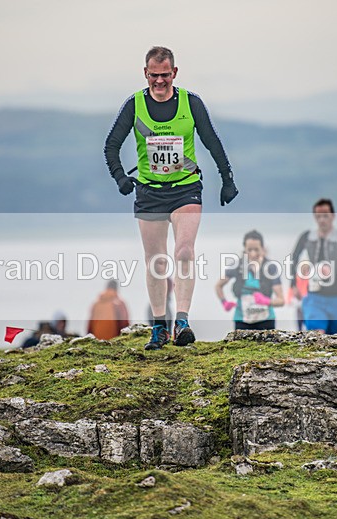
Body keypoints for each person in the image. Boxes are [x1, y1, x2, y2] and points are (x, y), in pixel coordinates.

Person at [104, 46, 238, 350]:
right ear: (145, 73)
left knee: (184, 253)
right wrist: (120, 178)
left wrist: (227, 179)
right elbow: (111, 145)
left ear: (174, 73)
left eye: (165, 75)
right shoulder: (134, 105)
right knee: (156, 263)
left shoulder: (191, 103)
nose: (160, 81)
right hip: (149, 191)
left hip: (185, 188)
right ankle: (160, 327)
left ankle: (182, 320)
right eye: (154, 75)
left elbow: (212, 141)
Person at [289, 199, 337, 334]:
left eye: (325, 215)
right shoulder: (307, 237)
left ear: (333, 216)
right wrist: (294, 284)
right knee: (316, 335)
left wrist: (334, 271)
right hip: (314, 296)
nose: (322, 220)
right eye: (318, 216)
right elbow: (293, 259)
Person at [215, 230, 284, 330]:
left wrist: (267, 301)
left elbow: (281, 300)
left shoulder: (270, 268)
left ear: (263, 249)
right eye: (249, 250)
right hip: (242, 321)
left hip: (266, 321)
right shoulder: (237, 266)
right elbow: (218, 286)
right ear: (244, 250)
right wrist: (224, 302)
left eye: (256, 249)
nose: (253, 254)